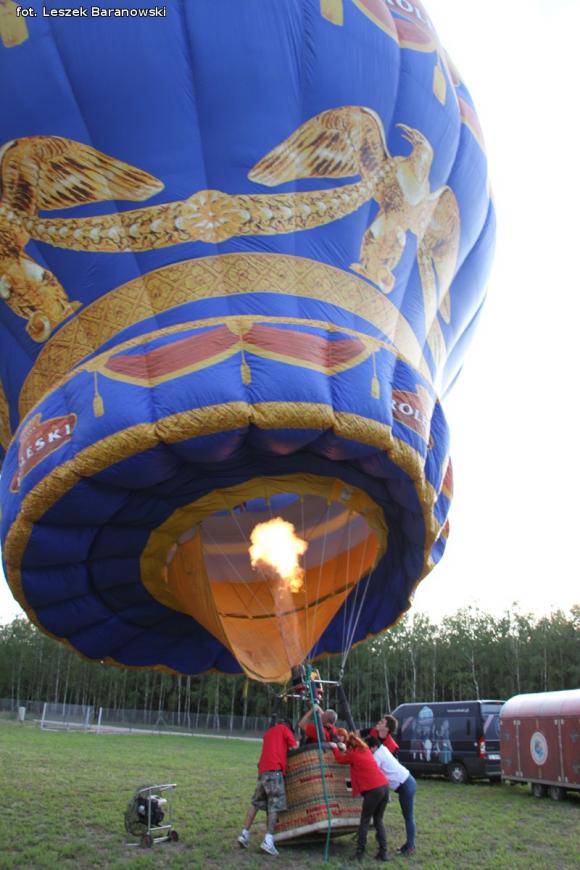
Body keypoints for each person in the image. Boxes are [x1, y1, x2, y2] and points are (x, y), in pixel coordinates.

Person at [237, 718, 297, 856]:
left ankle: (244, 834)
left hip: (262, 771)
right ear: (288, 727)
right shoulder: (285, 729)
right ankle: (268, 841)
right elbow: (294, 748)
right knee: (274, 805)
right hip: (275, 772)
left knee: (255, 804)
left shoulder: (269, 732)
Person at [330, 732, 389, 861]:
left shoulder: (353, 753)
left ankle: (359, 853)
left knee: (365, 821)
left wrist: (335, 748)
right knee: (378, 820)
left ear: (350, 746)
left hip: (373, 789)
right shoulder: (366, 750)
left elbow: (340, 759)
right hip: (384, 786)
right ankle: (383, 852)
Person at [367, 735, 417, 857]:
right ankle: (409, 845)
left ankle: (410, 847)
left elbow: (372, 771)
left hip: (405, 785)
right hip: (408, 781)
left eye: (369, 748)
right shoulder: (383, 749)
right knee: (408, 816)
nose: (368, 752)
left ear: (374, 747)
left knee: (408, 816)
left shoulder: (377, 756)